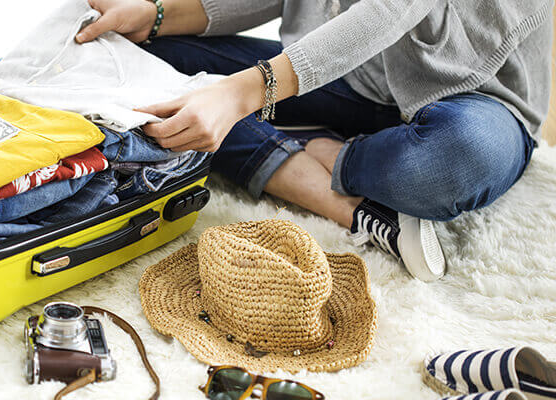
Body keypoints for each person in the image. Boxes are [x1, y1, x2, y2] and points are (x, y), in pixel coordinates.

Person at [74, 0, 551, 281]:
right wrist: (157, 15)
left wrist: (244, 92)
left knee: (455, 161)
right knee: (147, 62)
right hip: (346, 77)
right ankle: (349, 203)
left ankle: (331, 150)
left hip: (475, 102)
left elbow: (390, 9)